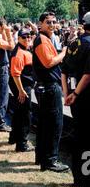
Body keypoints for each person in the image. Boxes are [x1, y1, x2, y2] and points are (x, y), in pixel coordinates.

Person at [33, 11, 69, 172]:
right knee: (54, 124)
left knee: (45, 123)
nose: (52, 25)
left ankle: (42, 158)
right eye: (48, 22)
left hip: (46, 86)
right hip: (48, 86)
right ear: (40, 23)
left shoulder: (45, 38)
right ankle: (50, 160)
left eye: (54, 22)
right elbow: (48, 63)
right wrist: (63, 53)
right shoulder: (41, 39)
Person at [61, 11, 90, 187]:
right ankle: (87, 183)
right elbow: (88, 75)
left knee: (79, 137)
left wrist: (67, 94)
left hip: (75, 99)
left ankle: (78, 178)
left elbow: (63, 70)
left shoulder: (73, 42)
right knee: (88, 141)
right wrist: (77, 94)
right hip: (86, 98)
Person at [9, 28, 35, 152]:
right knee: (25, 114)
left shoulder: (25, 49)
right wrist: (21, 90)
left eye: (28, 37)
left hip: (22, 85)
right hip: (22, 86)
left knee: (19, 112)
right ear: (18, 38)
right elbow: (15, 74)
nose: (27, 39)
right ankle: (22, 144)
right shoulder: (19, 53)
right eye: (23, 37)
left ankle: (14, 137)